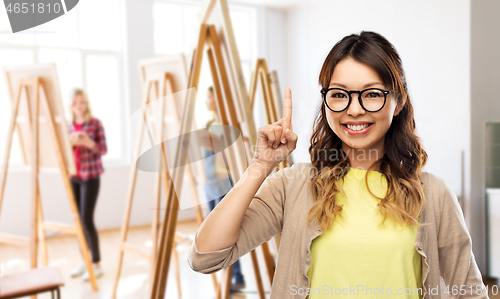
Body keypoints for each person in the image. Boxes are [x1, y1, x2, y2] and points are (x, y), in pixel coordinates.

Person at [187, 31, 489, 299]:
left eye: (372, 94)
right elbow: (205, 257)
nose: (354, 110)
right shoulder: (294, 185)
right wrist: (259, 166)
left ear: (398, 102)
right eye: (339, 95)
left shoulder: (433, 194)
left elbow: (471, 291)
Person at [200, 86, 246, 292]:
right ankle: (227, 275)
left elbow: (234, 160)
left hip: (223, 185)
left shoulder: (228, 126)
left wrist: (218, 147)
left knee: (224, 235)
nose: (206, 101)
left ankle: (235, 277)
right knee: (212, 234)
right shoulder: (209, 124)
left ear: (219, 98)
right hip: (209, 184)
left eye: (210, 97)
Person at [67, 89, 108, 281]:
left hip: (90, 177)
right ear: (72, 106)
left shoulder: (95, 124)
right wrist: (72, 143)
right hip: (73, 176)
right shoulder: (68, 127)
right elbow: (64, 151)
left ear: (86, 104)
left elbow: (103, 149)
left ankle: (96, 263)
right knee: (78, 221)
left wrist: (88, 142)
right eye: (76, 103)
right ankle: (84, 260)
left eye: (82, 102)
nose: (79, 106)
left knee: (87, 220)